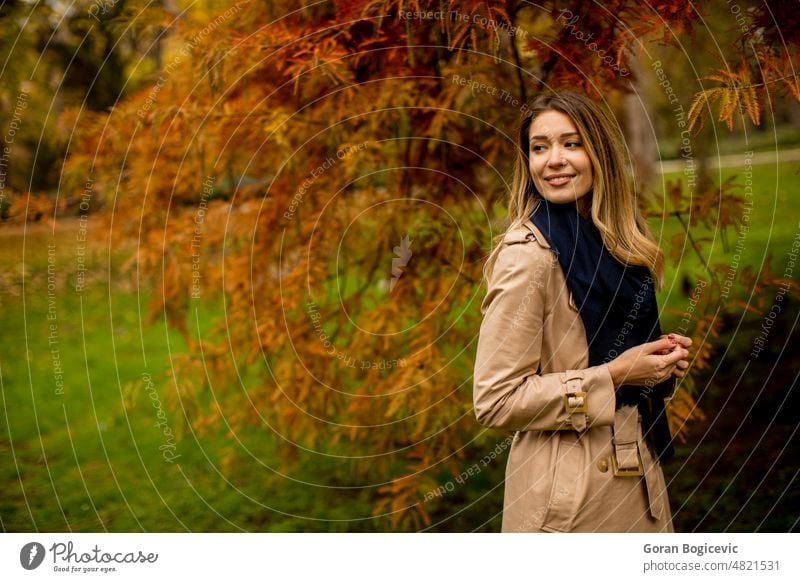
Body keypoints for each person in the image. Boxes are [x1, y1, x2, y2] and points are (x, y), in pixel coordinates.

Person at [472, 91, 692, 532]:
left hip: (637, 467)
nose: (553, 160)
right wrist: (612, 377)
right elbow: (495, 400)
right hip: (569, 496)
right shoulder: (530, 258)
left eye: (571, 143)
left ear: (600, 152)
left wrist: (658, 364)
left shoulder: (617, 240)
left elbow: (610, 347)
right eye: (539, 147)